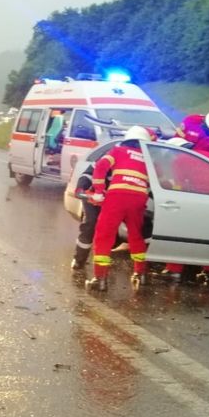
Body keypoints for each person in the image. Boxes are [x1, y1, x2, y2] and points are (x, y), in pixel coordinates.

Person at [158, 109, 209, 284]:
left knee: (181, 234)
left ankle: (174, 271)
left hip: (194, 195)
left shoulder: (183, 158)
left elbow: (177, 181)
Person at [84, 125, 152, 292]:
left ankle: (100, 279)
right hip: (138, 199)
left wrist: (99, 190)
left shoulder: (118, 151)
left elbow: (100, 167)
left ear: (127, 139)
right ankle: (140, 274)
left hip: (117, 197)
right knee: (136, 236)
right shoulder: (148, 157)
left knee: (104, 236)